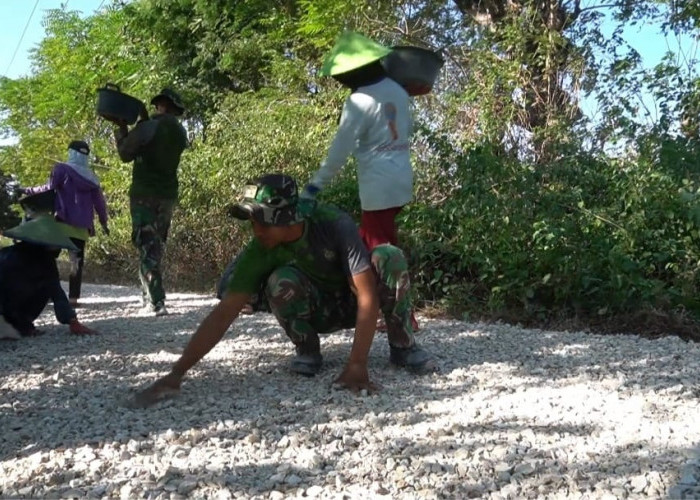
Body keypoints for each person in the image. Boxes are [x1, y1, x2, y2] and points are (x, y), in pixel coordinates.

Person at [129, 174, 437, 408]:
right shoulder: (261, 248)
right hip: (317, 309)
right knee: (280, 280)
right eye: (252, 222)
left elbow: (367, 295)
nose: (256, 230)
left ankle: (403, 345)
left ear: (286, 217)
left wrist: (357, 365)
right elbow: (223, 314)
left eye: (261, 220)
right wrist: (176, 374)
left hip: (352, 303)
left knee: (389, 257)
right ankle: (307, 350)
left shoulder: (332, 223)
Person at [302, 31, 413, 252]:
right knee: (373, 243)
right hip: (401, 181)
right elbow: (406, 129)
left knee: (380, 253)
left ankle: (387, 287)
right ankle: (379, 284)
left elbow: (339, 151)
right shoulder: (398, 90)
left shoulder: (358, 101)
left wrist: (313, 188)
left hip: (378, 188)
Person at [112, 88, 188, 316]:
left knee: (146, 246)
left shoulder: (148, 126)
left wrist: (122, 128)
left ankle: (156, 301)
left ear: (162, 105)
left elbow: (125, 154)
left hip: (144, 195)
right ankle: (149, 296)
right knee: (156, 247)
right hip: (167, 196)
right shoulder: (180, 131)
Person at [23, 140, 109, 307]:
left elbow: (49, 188)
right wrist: (104, 221)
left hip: (61, 223)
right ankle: (73, 299)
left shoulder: (61, 169)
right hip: (82, 226)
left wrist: (28, 190)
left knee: (48, 258)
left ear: (71, 152)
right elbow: (99, 203)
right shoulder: (92, 177)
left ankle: (49, 293)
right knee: (76, 261)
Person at [0, 215, 97, 340]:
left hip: (8, 309)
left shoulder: (7, 252)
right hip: (7, 309)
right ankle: (19, 326)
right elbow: (57, 292)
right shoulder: (43, 261)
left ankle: (17, 325)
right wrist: (73, 321)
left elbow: (56, 292)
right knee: (46, 287)